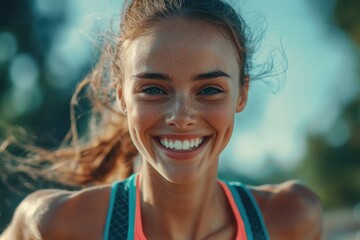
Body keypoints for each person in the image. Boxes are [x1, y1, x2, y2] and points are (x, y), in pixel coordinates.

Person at [0, 0, 323, 239]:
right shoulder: (58, 226)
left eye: (209, 90)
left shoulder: (289, 219)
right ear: (122, 96)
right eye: (153, 89)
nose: (181, 118)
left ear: (241, 94)